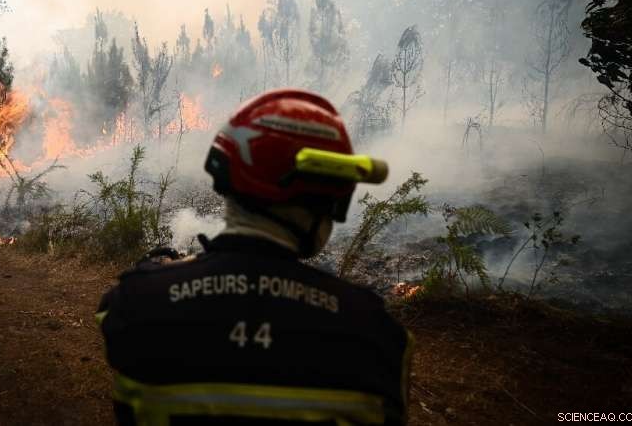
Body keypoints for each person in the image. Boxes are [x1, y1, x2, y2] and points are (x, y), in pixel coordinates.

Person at [97, 88, 412, 425]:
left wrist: (167, 274)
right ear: (320, 202)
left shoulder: (134, 304)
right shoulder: (376, 336)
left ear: (227, 182)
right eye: (337, 202)